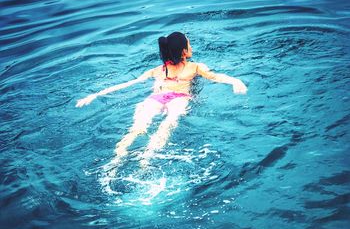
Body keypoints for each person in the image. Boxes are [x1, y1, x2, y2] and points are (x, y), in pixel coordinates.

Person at [76, 32, 247, 170]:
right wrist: (235, 81)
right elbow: (215, 76)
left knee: (136, 130)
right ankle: (146, 158)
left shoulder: (158, 70)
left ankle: (116, 159)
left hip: (155, 98)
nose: (191, 46)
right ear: (184, 52)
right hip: (179, 98)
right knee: (167, 124)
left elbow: (128, 83)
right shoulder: (196, 67)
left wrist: (95, 95)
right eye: (189, 44)